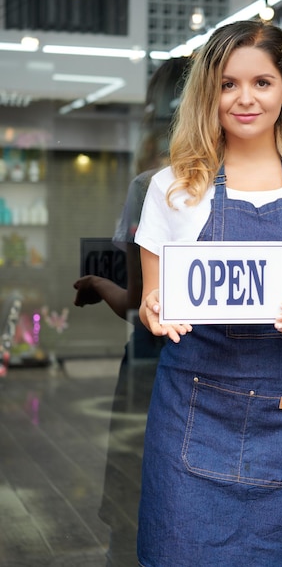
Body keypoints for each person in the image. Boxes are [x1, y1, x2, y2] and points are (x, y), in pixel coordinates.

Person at [135, 19, 282, 567]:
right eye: (228, 84)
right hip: (191, 412)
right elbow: (154, 301)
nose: (245, 98)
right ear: (208, 93)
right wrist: (154, 311)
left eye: (262, 82)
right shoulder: (171, 189)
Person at [72, 56, 190, 566]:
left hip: (156, 370)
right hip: (234, 375)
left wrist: (98, 283)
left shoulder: (153, 185)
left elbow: (141, 305)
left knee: (140, 500)